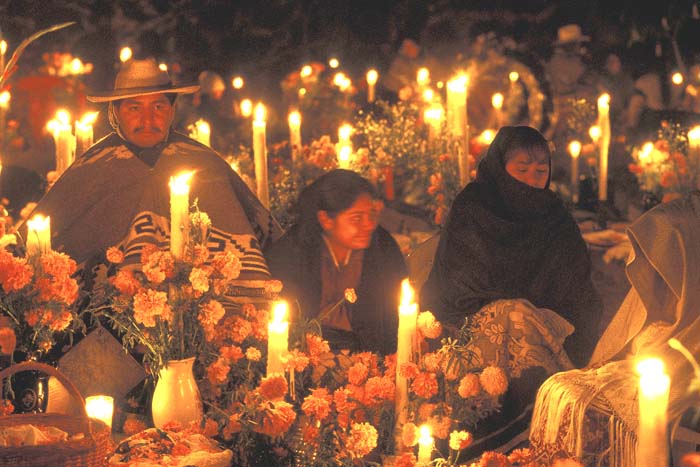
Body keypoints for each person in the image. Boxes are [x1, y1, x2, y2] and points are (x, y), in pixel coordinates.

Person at [20, 58, 280, 289]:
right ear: (115, 112)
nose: (147, 119)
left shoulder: (206, 164)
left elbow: (263, 243)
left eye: (158, 107)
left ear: (172, 111)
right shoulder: (91, 169)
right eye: (135, 108)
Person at [530, 190, 700, 466]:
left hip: (669, 384)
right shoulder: (666, 296)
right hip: (639, 368)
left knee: (578, 404)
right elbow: (624, 340)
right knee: (556, 389)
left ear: (688, 262)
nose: (654, 273)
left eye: (663, 261)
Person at [422, 125, 602, 367]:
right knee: (516, 316)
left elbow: (577, 288)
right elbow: (459, 288)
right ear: (500, 168)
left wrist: (542, 318)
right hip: (474, 328)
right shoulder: (474, 208)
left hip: (548, 332)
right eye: (522, 170)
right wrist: (514, 314)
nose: (532, 179)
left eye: (541, 171)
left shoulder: (554, 215)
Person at [264, 169, 407, 355]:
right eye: (357, 218)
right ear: (326, 219)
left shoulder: (383, 248)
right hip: (304, 357)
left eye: (371, 214)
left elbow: (393, 318)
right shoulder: (292, 252)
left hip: (370, 356)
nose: (369, 225)